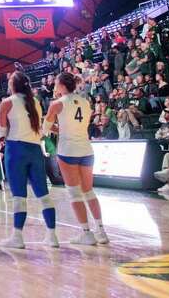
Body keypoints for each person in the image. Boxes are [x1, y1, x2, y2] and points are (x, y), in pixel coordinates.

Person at [45, 72, 109, 245]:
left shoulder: (56, 104)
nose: (54, 87)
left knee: (75, 193)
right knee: (89, 191)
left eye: (56, 84)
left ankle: (87, 233)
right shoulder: (85, 101)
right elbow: (77, 125)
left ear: (62, 85)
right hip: (86, 150)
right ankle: (101, 231)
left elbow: (45, 128)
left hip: (68, 151)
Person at [0, 72, 58, 248]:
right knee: (43, 194)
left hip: (16, 149)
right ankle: (52, 236)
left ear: (13, 85)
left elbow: (1, 132)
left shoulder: (7, 102)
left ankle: (17, 237)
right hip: (35, 150)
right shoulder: (36, 102)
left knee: (19, 196)